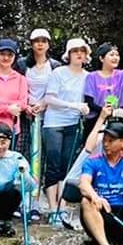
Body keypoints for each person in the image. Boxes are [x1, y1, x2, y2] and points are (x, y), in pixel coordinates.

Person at [40, 37, 93, 227]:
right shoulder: (59, 73)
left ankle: (62, 207)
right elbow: (49, 98)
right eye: (75, 51)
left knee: (67, 165)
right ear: (68, 55)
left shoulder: (89, 76)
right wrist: (74, 105)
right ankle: (53, 209)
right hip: (54, 122)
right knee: (53, 164)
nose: (79, 54)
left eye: (82, 51)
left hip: (73, 124)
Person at [84, 42, 123, 119]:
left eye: (117, 55)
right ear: (101, 58)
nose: (115, 58)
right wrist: (108, 112)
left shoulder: (122, 74)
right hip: (95, 118)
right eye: (111, 55)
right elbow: (89, 102)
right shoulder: (92, 77)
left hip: (117, 118)